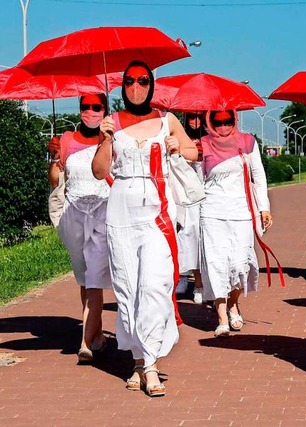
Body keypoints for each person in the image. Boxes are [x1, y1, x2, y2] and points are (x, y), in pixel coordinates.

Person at [92, 60, 197, 397]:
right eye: (130, 81)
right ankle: (140, 361)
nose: (136, 86)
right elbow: (98, 172)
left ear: (152, 85)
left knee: (154, 285)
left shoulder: (166, 120)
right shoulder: (111, 123)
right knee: (128, 291)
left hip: (157, 211)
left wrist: (179, 147)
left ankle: (150, 364)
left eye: (143, 80)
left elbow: (194, 152)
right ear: (122, 86)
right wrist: (106, 140)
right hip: (121, 211)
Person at [48, 93, 111, 364]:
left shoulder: (112, 137)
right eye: (85, 106)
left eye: (96, 107)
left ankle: (84, 343)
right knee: (85, 279)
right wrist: (52, 158)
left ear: (105, 109)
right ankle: (96, 336)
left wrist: (109, 140)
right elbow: (55, 181)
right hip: (74, 217)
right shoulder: (66, 139)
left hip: (103, 214)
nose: (90, 111)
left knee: (95, 278)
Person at [199, 110, 272, 338]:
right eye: (217, 121)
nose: (222, 126)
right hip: (211, 212)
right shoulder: (202, 144)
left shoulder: (247, 142)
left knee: (241, 264)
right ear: (209, 122)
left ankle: (233, 302)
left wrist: (264, 207)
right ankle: (222, 316)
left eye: (227, 121)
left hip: (241, 211)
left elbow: (258, 175)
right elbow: (195, 178)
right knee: (216, 263)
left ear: (234, 120)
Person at [176, 112, 205, 304]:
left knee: (200, 240)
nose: (194, 121)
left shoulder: (208, 139)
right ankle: (184, 277)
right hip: (183, 196)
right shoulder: (179, 137)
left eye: (198, 117)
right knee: (184, 237)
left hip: (203, 196)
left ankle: (201, 284)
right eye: (190, 117)